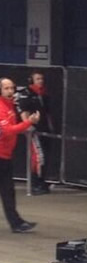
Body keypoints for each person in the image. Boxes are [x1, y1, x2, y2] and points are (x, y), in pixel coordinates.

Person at [0, 78, 40, 233]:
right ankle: (16, 223)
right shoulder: (1, 108)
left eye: (12, 88)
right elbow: (8, 130)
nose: (11, 91)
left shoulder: (10, 106)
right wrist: (28, 122)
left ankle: (16, 223)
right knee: (8, 191)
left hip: (5, 157)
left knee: (9, 191)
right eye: (7, 88)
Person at [17, 70, 54, 195]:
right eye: (38, 79)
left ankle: (42, 181)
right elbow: (23, 111)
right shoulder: (26, 93)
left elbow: (47, 113)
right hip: (33, 130)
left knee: (45, 156)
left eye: (42, 79)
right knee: (38, 157)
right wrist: (28, 125)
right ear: (31, 80)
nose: (40, 81)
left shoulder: (44, 94)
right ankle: (34, 183)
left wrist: (50, 126)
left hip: (44, 130)